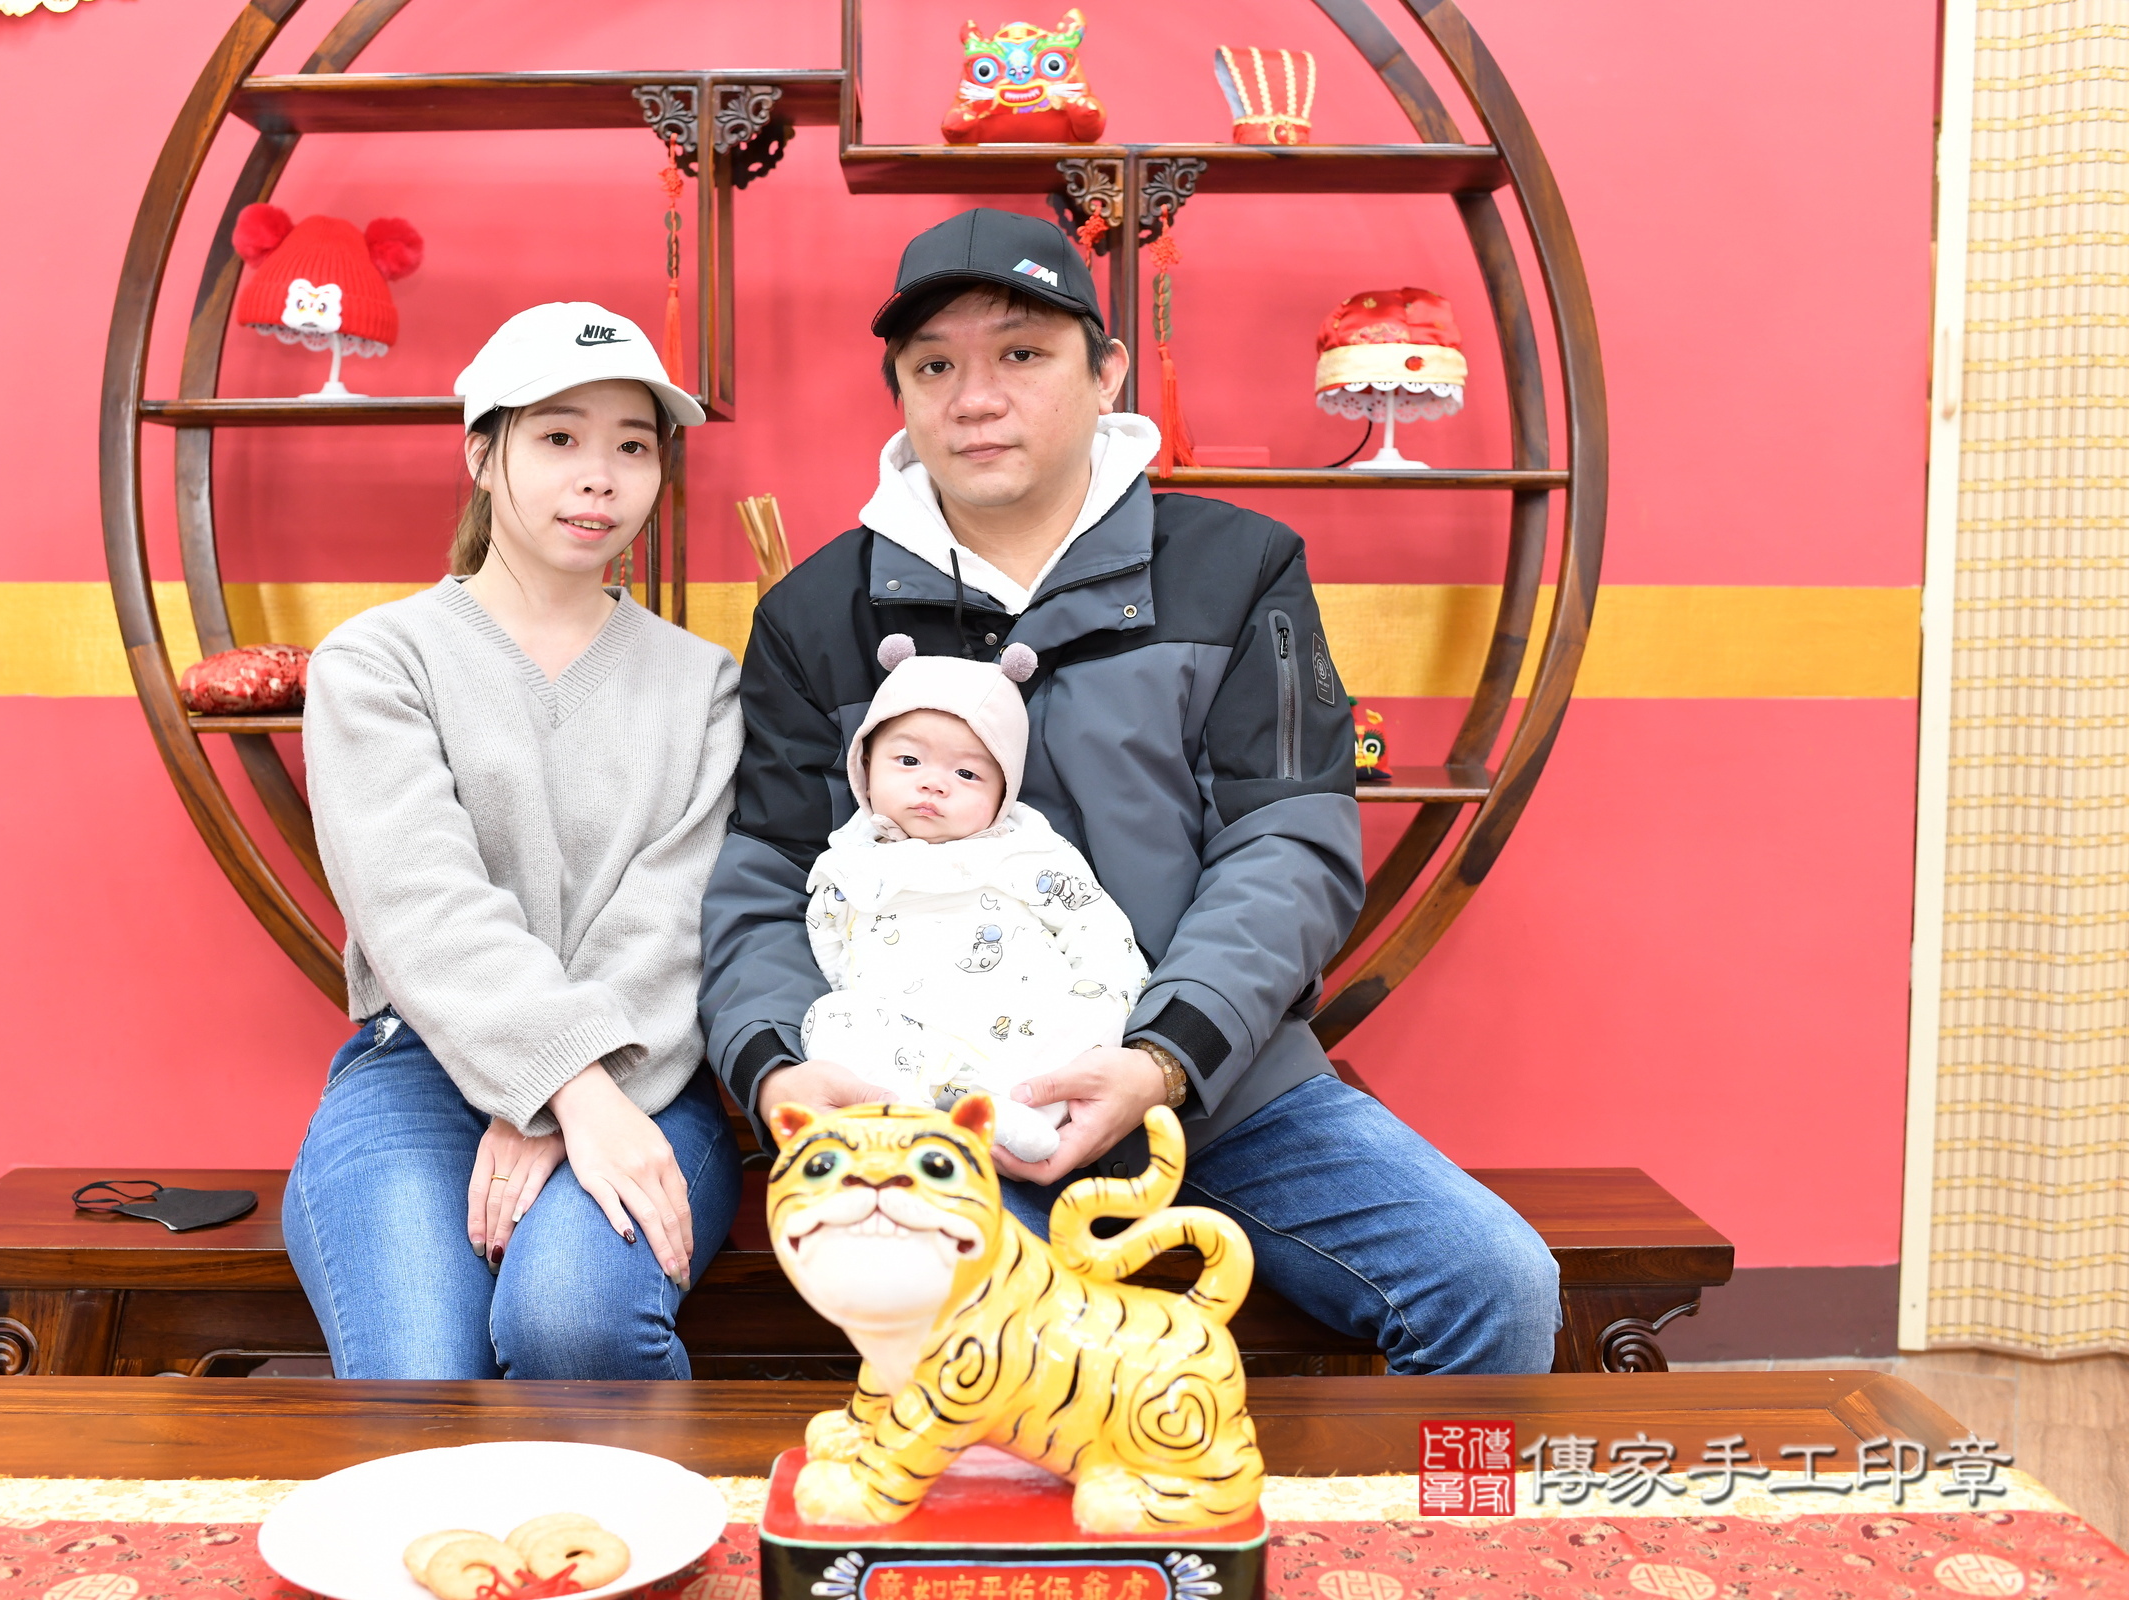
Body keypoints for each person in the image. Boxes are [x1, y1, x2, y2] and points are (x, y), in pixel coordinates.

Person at [701, 211, 1561, 1374]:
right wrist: (782, 1069)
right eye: (934, 366)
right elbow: (763, 884)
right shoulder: (815, 615)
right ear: (898, 393)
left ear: (1106, 372)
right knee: (1017, 1356)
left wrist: (1161, 1058)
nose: (975, 398)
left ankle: (1400, 1514)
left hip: (1209, 1087)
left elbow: (1288, 845)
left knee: (1493, 1284)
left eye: (1022, 354)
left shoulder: (1237, 567)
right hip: (935, 1114)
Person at [287, 302, 745, 1379]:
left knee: (572, 1321)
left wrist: (579, 1089)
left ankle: (641, 1507)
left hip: (647, 1068)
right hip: (423, 1067)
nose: (599, 477)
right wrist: (558, 1089)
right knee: (419, 1374)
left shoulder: (701, 683)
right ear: (482, 455)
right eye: (558, 438)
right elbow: (420, 904)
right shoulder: (378, 661)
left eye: (632, 447)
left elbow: (675, 917)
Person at [801, 634, 1149, 1162]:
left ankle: (1015, 1113)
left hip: (1024, 1031)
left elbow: (1100, 933)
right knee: (831, 1016)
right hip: (912, 1044)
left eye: (966, 773)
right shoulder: (849, 861)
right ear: (866, 767)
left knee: (1093, 1012)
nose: (933, 784)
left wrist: (1099, 1000)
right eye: (908, 760)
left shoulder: (1028, 852)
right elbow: (830, 946)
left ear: (1003, 792)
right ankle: (911, 1116)